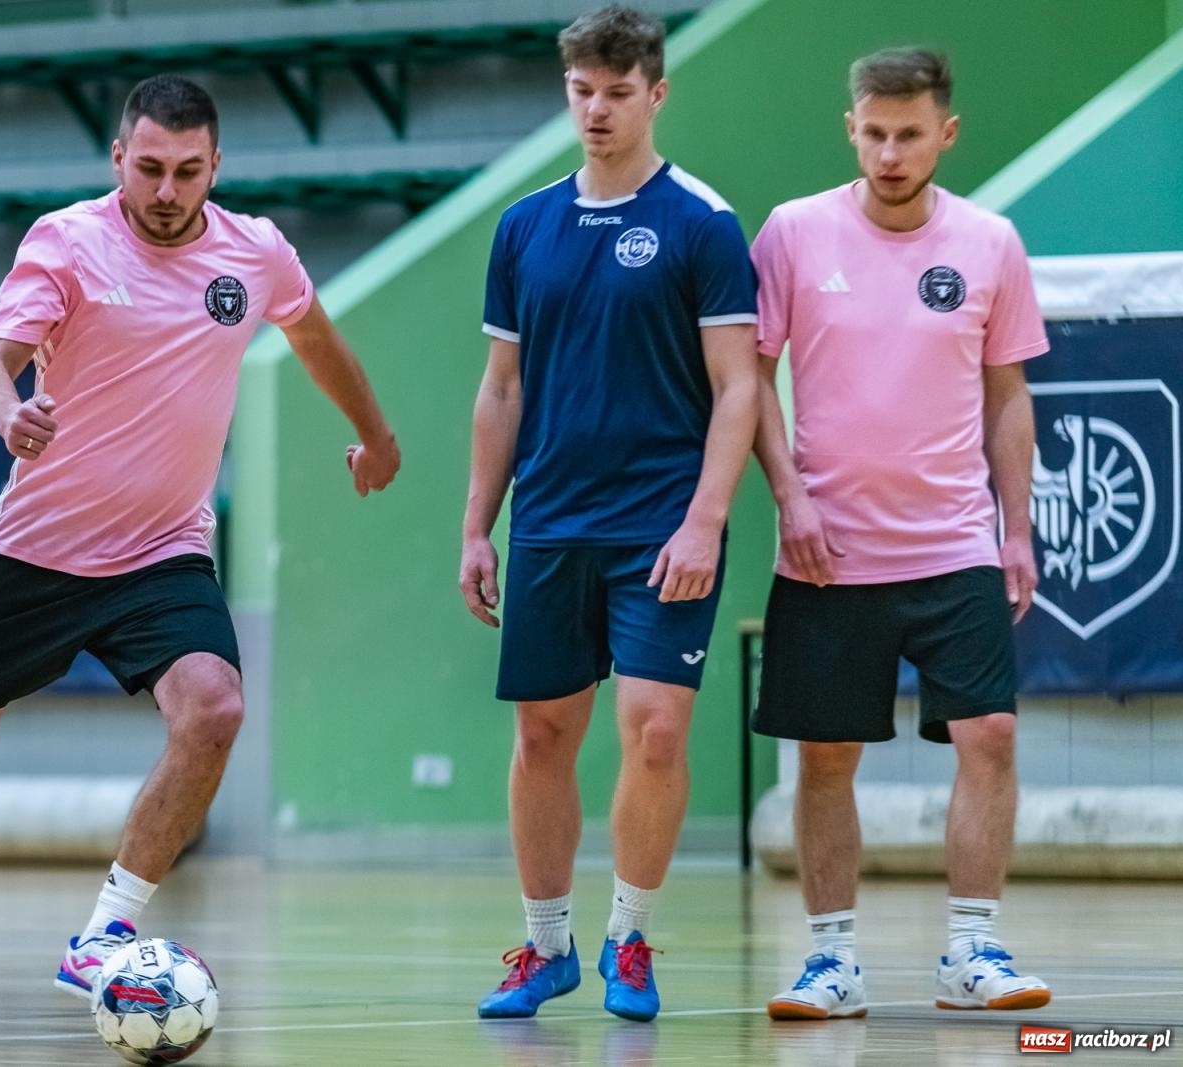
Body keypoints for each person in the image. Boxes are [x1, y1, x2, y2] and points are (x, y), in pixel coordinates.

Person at [0, 74, 400, 1002]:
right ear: (119, 157)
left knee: (216, 709)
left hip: (165, 549)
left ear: (216, 167)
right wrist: (9, 416)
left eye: (189, 171)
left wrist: (377, 429)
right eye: (151, 168)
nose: (168, 191)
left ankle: (105, 931)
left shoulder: (256, 256)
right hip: (39, 550)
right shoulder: (69, 242)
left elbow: (316, 337)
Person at [460, 4, 758, 1023]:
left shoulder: (702, 224)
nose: (596, 110)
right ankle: (546, 947)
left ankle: (630, 935)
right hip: (547, 523)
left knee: (657, 732)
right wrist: (475, 526)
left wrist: (706, 519)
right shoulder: (523, 226)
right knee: (543, 735)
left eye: (617, 93)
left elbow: (738, 387)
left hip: (660, 528)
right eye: (581, 91)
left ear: (656, 93)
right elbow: (500, 389)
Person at [749, 48, 1051, 1019]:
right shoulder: (792, 233)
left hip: (954, 542)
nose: (889, 152)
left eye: (908, 133)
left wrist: (1017, 527)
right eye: (873, 132)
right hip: (825, 551)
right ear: (851, 128)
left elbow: (1007, 397)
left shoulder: (991, 242)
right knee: (827, 756)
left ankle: (970, 947)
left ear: (944, 133)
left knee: (990, 734)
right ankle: (831, 960)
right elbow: (746, 378)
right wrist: (788, 495)